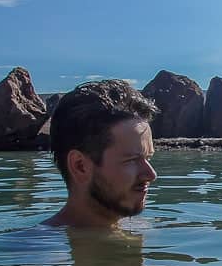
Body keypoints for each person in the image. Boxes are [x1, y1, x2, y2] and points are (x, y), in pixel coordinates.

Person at [43, 79, 159, 228]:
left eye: (148, 158)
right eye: (131, 160)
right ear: (80, 166)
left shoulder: (144, 228)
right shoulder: (36, 249)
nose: (151, 175)